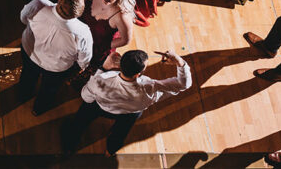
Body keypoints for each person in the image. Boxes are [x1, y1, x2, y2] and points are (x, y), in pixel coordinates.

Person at [61, 49, 191, 156]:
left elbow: (86, 97)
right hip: (129, 113)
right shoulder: (149, 88)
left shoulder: (101, 80)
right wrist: (180, 62)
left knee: (80, 120)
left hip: (100, 106)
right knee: (121, 132)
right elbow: (182, 84)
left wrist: (103, 68)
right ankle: (110, 150)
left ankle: (69, 145)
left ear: (119, 65)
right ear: (137, 74)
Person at [18, 0, 93, 116]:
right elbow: (84, 58)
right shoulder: (83, 32)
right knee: (49, 89)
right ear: (79, 12)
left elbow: (23, 18)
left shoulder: (39, 4)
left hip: (29, 53)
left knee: (27, 75)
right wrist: (81, 67)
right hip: (55, 68)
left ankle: (23, 96)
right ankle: (38, 109)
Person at [82, 0, 135, 69]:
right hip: (80, 35)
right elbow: (82, 3)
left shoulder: (122, 16)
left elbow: (125, 40)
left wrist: (103, 46)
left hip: (97, 47)